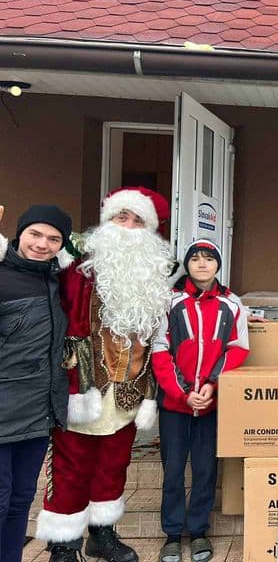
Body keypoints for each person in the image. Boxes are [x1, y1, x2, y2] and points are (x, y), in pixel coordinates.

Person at [37, 187, 175, 562]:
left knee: (113, 464)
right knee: (71, 466)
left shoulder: (156, 274)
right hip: (82, 386)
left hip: (129, 388)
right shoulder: (74, 266)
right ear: (107, 221)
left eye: (138, 220)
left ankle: (102, 534)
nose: (127, 227)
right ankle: (63, 544)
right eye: (120, 217)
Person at [152, 239, 249, 562]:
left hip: (211, 404)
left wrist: (212, 385)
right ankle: (172, 534)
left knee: (205, 469)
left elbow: (238, 348)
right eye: (196, 259)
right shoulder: (170, 301)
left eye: (209, 259)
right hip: (175, 404)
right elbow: (160, 351)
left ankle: (198, 532)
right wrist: (182, 392)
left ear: (218, 265)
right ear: (187, 265)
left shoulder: (231, 303)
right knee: (173, 469)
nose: (202, 264)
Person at [0, 205, 71, 562]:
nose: (43, 244)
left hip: (38, 413)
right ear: (20, 233)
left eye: (53, 239)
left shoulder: (53, 279)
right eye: (35, 234)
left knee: (20, 501)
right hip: (3, 410)